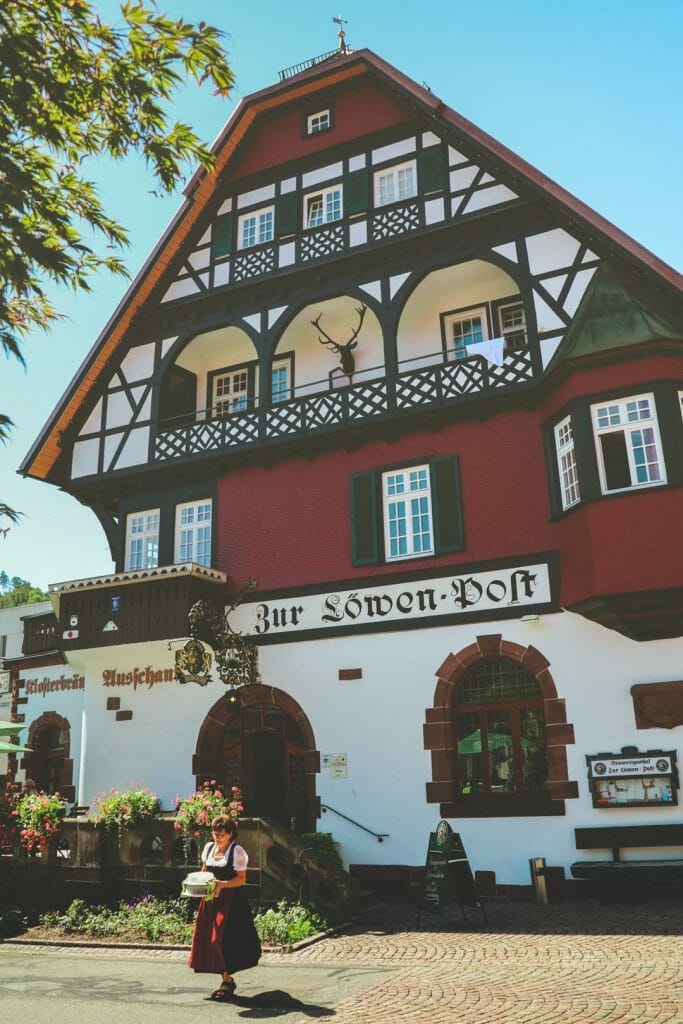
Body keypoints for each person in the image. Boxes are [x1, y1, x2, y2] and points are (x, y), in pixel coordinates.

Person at [188, 814, 261, 1001]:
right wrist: (196, 883)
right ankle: (226, 980)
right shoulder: (209, 849)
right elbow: (205, 871)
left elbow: (241, 879)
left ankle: (228, 980)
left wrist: (222, 884)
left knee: (218, 940)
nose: (217, 838)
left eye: (221, 835)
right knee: (208, 940)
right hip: (211, 899)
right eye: (214, 834)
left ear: (230, 834)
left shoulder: (237, 852)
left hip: (231, 902)